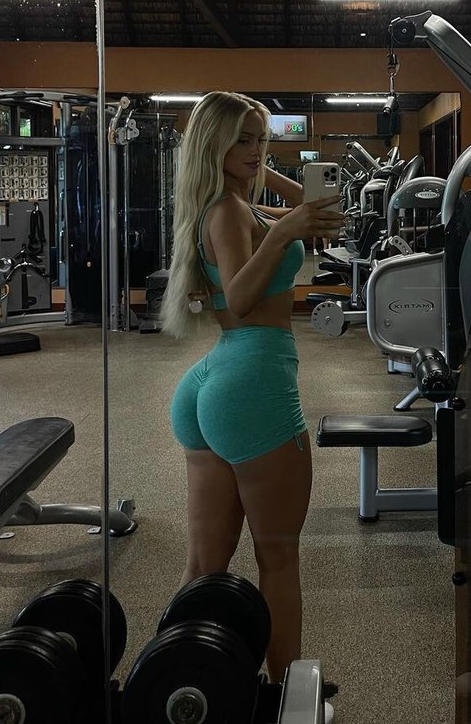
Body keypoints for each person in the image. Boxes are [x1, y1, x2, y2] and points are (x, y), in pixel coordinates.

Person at [161, 91, 344, 690]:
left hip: (214, 385)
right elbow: (240, 299)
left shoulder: (230, 201)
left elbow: (319, 204)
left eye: (261, 138)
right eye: (241, 139)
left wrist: (265, 169)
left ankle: (167, 678)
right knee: (278, 556)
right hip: (252, 385)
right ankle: (287, 691)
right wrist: (282, 231)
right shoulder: (228, 212)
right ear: (212, 144)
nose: (255, 149)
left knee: (203, 564)